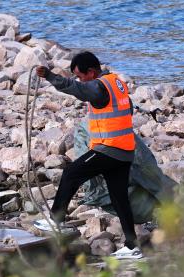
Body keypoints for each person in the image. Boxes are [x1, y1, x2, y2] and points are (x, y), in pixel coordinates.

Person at [35, 52, 143, 260]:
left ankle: (55, 221)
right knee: (119, 198)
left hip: (108, 149)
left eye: (80, 75)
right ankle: (132, 246)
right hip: (125, 150)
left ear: (91, 72)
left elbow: (79, 89)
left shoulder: (98, 86)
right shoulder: (117, 82)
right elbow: (127, 109)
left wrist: (50, 76)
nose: (79, 79)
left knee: (71, 173)